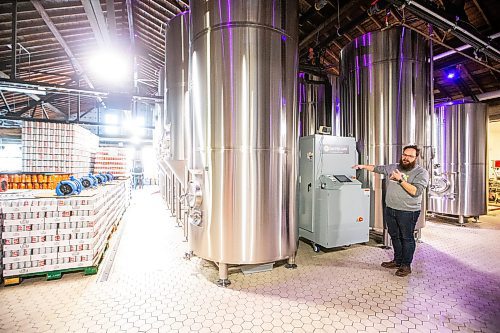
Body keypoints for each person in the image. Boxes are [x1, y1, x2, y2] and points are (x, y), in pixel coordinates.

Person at [353, 145, 429, 277]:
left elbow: (416, 191)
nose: (406, 158)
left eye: (410, 156)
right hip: (391, 209)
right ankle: (397, 260)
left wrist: (400, 179)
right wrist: (362, 166)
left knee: (407, 238)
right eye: (404, 155)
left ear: (416, 158)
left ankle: (406, 265)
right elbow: (377, 168)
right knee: (395, 236)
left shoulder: (421, 173)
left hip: (408, 211)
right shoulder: (393, 167)